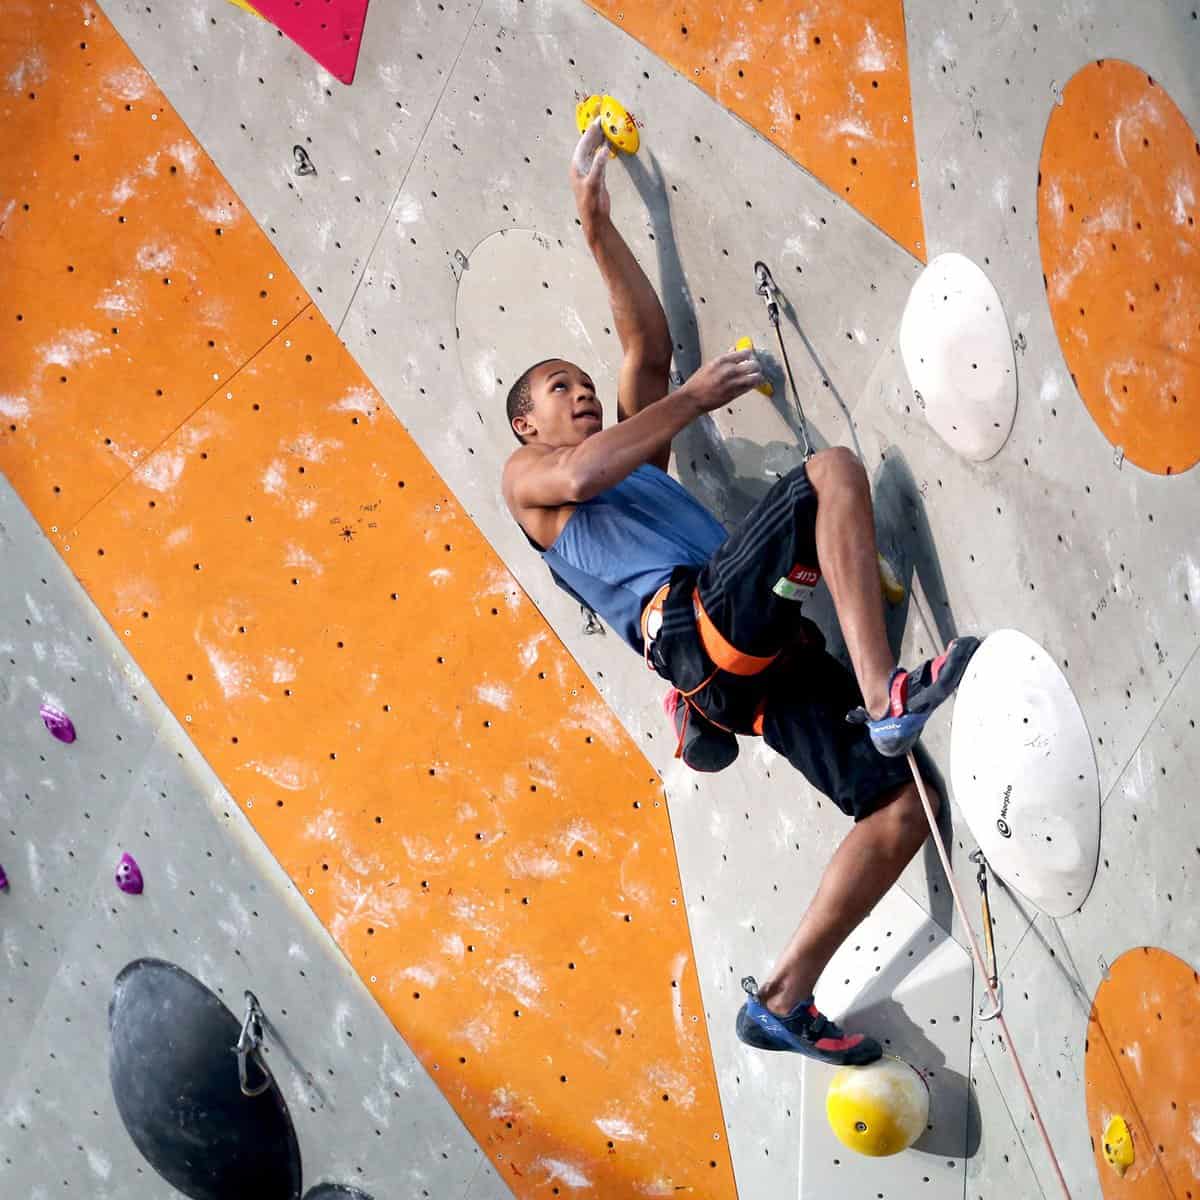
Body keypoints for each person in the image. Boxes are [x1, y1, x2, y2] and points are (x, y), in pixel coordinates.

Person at [500, 119, 978, 1066]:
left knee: (901, 804)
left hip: (745, 664)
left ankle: (783, 997)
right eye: (562, 388)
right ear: (526, 420)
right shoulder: (528, 481)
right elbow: (588, 471)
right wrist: (694, 401)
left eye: (585, 384)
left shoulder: (631, 455)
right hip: (690, 626)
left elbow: (647, 338)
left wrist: (602, 230)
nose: (583, 392)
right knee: (831, 472)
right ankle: (890, 696)